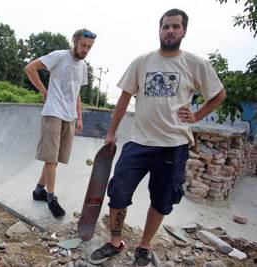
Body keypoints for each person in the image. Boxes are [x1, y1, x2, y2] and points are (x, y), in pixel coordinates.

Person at [89, 9, 226, 266]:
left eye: (175, 26)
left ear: (184, 31)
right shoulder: (142, 62)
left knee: (163, 200)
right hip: (139, 142)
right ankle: (115, 241)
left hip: (174, 146)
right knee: (118, 191)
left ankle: (144, 245)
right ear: (159, 30)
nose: (170, 30)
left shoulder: (196, 64)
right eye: (166, 26)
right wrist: (111, 132)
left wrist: (197, 116)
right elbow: (123, 99)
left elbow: (219, 94)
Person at [24, 29, 96, 217]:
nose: (86, 50)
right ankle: (51, 197)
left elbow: (77, 93)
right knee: (51, 158)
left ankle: (39, 190)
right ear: (75, 42)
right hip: (53, 113)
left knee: (56, 158)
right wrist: (43, 91)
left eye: (89, 47)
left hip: (69, 116)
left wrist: (79, 117)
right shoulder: (59, 56)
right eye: (83, 46)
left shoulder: (83, 67)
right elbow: (30, 68)